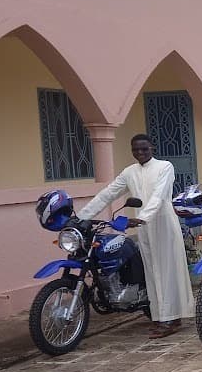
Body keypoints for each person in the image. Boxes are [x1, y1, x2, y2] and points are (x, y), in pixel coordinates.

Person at [77, 134, 193, 338]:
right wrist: (82, 217)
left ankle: (172, 318)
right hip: (144, 227)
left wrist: (143, 217)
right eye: (136, 149)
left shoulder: (165, 166)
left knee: (167, 271)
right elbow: (108, 193)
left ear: (152, 148)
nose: (140, 153)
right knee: (152, 271)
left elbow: (158, 196)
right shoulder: (129, 172)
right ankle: (160, 317)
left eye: (144, 149)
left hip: (163, 223)